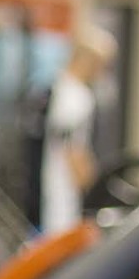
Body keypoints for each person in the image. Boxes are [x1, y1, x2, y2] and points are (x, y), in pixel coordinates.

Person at [29, 27, 116, 234]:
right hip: (64, 199)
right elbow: (74, 152)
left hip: (52, 192)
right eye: (101, 65)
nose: (101, 72)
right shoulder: (77, 97)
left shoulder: (61, 88)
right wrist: (97, 193)